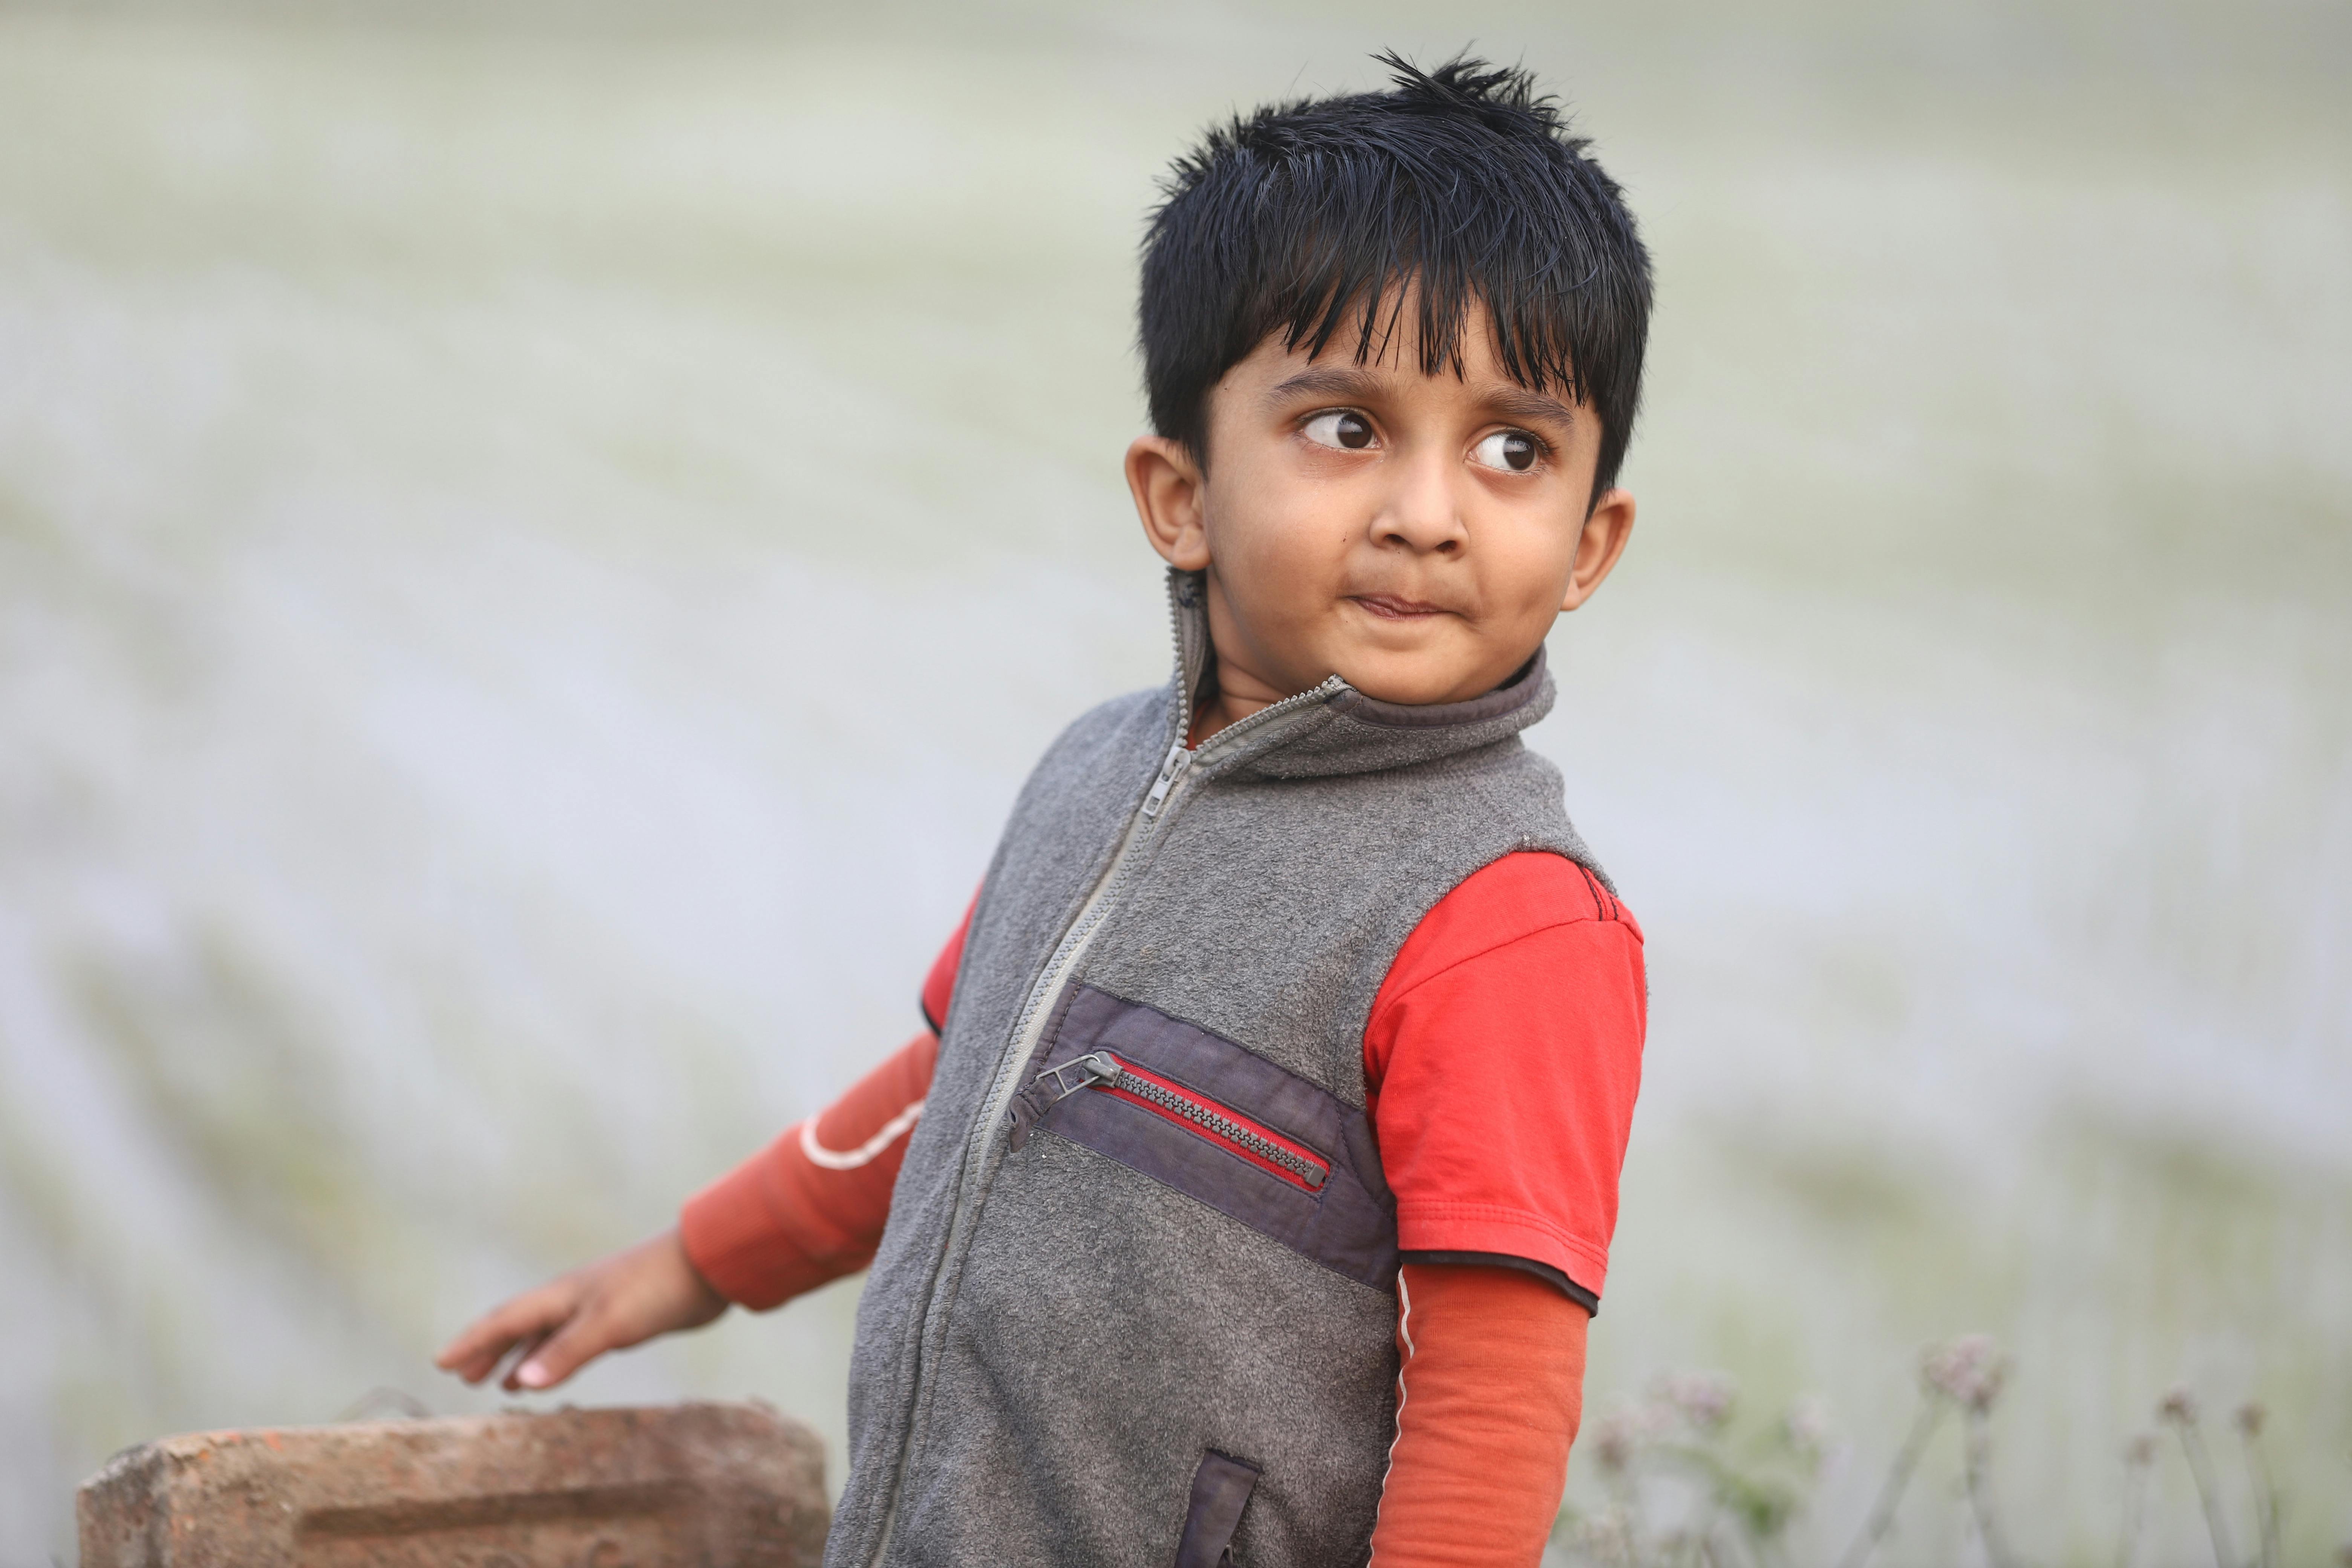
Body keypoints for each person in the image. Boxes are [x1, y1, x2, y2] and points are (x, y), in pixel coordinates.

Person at [439, 53, 1650, 1568]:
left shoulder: (1504, 916)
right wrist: (687, 1266)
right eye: (1345, 427)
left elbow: (1494, 1403)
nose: (1428, 508)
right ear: (1180, 494)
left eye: (1512, 448)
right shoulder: (1095, 767)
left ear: (1592, 539)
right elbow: (954, 1083)